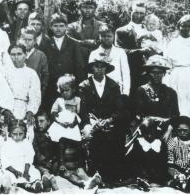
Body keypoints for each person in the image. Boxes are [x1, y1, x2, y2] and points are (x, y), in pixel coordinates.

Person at [79, 55, 130, 185]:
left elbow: (119, 109)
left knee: (116, 137)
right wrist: (92, 122)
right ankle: (93, 175)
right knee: (90, 136)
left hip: (110, 122)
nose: (100, 70)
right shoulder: (84, 85)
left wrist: (110, 120)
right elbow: (83, 110)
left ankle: (112, 176)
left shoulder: (113, 85)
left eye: (103, 67)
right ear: (92, 68)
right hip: (91, 122)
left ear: (106, 69)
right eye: (97, 66)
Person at [47, 74, 101, 190]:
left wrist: (74, 123)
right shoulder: (59, 100)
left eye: (66, 90)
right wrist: (60, 123)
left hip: (72, 126)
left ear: (73, 89)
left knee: (78, 143)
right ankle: (62, 162)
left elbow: (79, 115)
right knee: (61, 141)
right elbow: (53, 114)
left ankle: (84, 169)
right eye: (61, 90)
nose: (64, 93)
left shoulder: (77, 100)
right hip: (61, 126)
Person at [163, 14, 190, 120]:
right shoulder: (173, 43)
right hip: (178, 75)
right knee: (179, 100)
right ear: (179, 27)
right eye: (183, 26)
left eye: (188, 26)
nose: (185, 28)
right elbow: (167, 61)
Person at [41, 13, 85, 108]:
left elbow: (79, 66)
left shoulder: (74, 43)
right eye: (55, 26)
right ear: (51, 27)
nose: (58, 29)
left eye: (61, 26)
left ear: (66, 27)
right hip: (51, 86)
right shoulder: (46, 44)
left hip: (69, 86)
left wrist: (76, 86)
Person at [115, 2, 155, 94]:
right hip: (131, 71)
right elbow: (120, 51)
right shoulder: (121, 31)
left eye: (142, 13)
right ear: (130, 12)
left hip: (149, 72)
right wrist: (141, 51)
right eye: (136, 12)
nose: (139, 15)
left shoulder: (151, 29)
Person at [0, 120, 44, 192]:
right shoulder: (6, 144)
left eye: (20, 134)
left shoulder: (27, 143)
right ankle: (24, 184)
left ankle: (36, 183)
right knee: (9, 176)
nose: (18, 136)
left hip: (25, 167)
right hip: (11, 168)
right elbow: (4, 160)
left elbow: (29, 157)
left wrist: (26, 171)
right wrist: (14, 171)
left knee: (35, 172)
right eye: (15, 134)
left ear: (25, 134)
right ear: (10, 134)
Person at [125, 117, 168, 188]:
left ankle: (154, 180)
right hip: (141, 174)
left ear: (156, 131)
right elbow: (134, 161)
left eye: (151, 132)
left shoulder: (160, 144)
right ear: (142, 131)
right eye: (146, 132)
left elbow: (163, 163)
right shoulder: (138, 142)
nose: (149, 135)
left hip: (156, 175)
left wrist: (158, 177)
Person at [89, 24, 130, 95]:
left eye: (109, 36)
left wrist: (125, 93)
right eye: (104, 36)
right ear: (99, 36)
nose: (106, 38)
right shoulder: (94, 53)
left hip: (116, 89)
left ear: (113, 36)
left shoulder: (120, 52)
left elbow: (126, 74)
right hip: (99, 89)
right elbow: (90, 73)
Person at [134, 55, 179, 120]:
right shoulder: (141, 91)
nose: (156, 75)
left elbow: (175, 115)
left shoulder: (171, 92)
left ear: (164, 73)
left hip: (165, 127)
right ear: (148, 73)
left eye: (159, 72)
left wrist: (162, 120)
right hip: (145, 127)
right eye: (153, 72)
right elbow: (137, 114)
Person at [5, 44, 41, 123]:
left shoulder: (31, 73)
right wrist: (5, 109)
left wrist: (30, 111)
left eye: (19, 54)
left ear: (25, 55)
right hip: (7, 109)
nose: (16, 57)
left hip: (24, 108)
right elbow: (1, 93)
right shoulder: (5, 72)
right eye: (13, 54)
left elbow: (35, 95)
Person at [19, 26, 49, 97]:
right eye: (24, 39)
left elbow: (45, 76)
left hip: (34, 92)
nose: (26, 42)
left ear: (35, 41)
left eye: (29, 40)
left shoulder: (40, 55)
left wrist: (41, 92)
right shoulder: (16, 53)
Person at [33, 112, 59, 192]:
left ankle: (50, 180)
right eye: (37, 122)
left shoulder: (54, 133)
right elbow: (36, 151)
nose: (39, 124)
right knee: (43, 170)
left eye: (41, 121)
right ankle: (48, 180)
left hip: (52, 162)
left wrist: (53, 160)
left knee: (57, 168)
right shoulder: (35, 135)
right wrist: (44, 161)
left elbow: (57, 149)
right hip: (41, 163)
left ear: (48, 122)